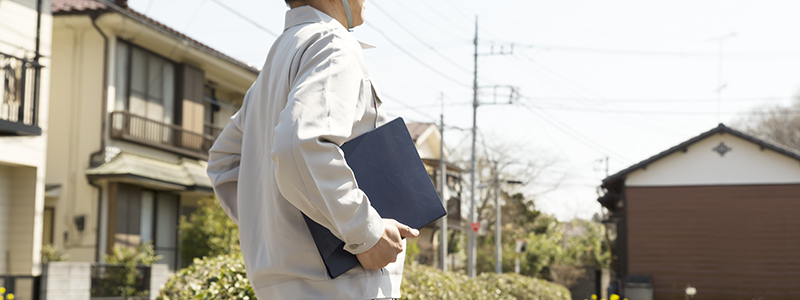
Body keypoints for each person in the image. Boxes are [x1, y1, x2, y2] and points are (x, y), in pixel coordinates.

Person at [206, 0, 419, 299]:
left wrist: (276, 226)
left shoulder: (275, 63)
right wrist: (365, 233)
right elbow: (301, 144)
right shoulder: (334, 45)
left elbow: (223, 163)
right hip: (340, 287)